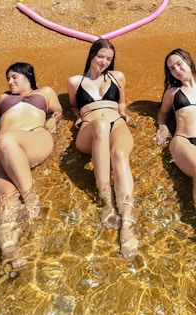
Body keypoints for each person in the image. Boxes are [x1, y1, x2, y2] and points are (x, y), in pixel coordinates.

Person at [0, 62, 62, 269]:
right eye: (8, 78)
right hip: (2, 143)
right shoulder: (2, 99)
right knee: (5, 195)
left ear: (28, 76)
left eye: (14, 77)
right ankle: (9, 251)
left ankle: (30, 198)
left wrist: (53, 120)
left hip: (33, 136)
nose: (10, 82)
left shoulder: (44, 92)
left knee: (7, 141)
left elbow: (58, 111)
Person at [67, 38, 137, 261]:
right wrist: (78, 117)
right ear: (91, 56)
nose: (105, 62)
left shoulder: (118, 77)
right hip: (91, 128)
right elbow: (74, 106)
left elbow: (122, 102)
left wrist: (124, 112)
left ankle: (128, 221)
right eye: (101, 57)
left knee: (119, 155)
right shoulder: (75, 81)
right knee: (101, 124)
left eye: (109, 59)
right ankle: (106, 201)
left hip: (117, 123)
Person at [156, 48, 196, 208]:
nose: (177, 70)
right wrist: (163, 127)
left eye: (179, 64)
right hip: (183, 141)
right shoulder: (172, 92)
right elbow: (162, 115)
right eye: (172, 68)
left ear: (188, 61)